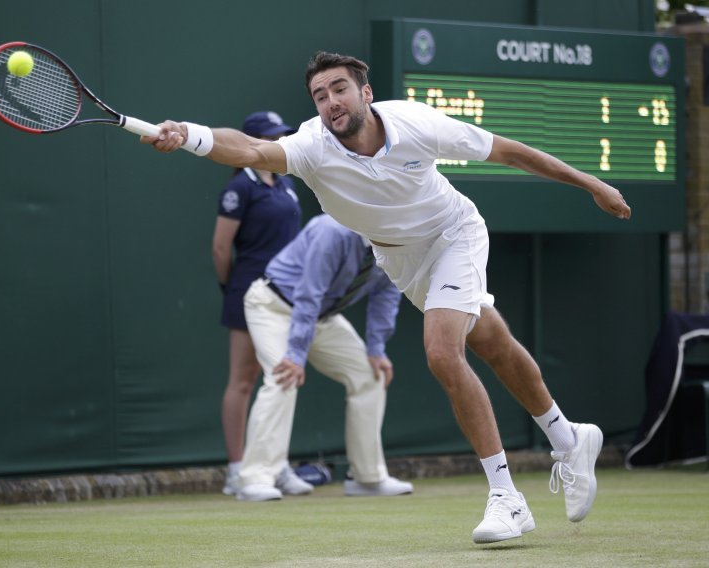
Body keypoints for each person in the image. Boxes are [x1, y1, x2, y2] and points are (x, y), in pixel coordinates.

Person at [142, 51, 631, 543]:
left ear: (365, 93)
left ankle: (506, 498)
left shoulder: (418, 123)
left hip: (454, 234)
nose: (330, 101)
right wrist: (189, 133)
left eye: (339, 89)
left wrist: (592, 184)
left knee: (443, 353)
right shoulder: (311, 146)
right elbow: (248, 149)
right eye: (320, 95)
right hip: (400, 261)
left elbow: (510, 152)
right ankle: (569, 438)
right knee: (493, 344)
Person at [237, 213, 413, 501]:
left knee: (370, 376)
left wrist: (376, 348)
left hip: (321, 317)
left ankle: (367, 477)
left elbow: (387, 293)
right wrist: (295, 354)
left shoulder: (395, 243)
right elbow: (309, 292)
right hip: (273, 306)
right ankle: (255, 477)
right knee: (284, 376)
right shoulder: (332, 232)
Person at [211, 111, 302, 496]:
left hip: (287, 296)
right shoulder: (241, 188)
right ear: (249, 143)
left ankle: (275, 464)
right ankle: (238, 469)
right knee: (244, 380)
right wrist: (232, 288)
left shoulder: (285, 184)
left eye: (281, 136)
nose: (278, 142)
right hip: (248, 293)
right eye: (269, 136)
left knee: (282, 378)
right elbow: (220, 247)